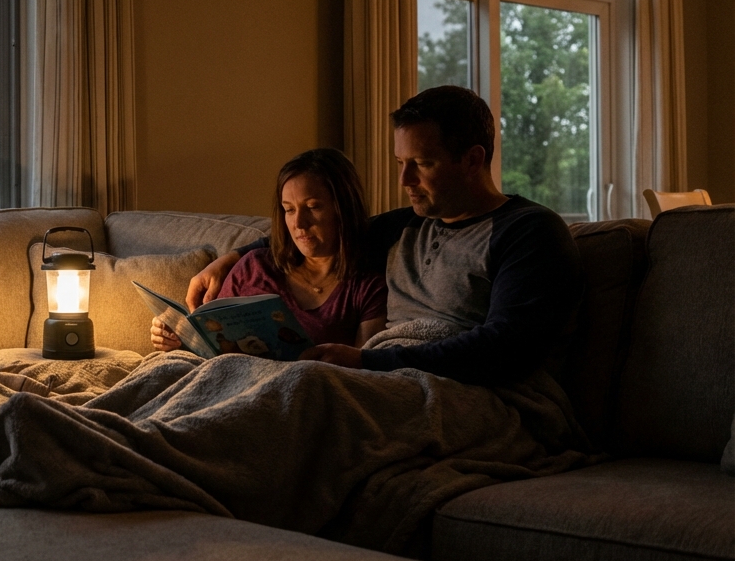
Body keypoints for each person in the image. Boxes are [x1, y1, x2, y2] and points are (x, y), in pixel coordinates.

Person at [187, 86, 581, 386]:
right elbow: (318, 233)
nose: (403, 180)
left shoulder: (529, 231)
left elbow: (505, 349)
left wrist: (367, 362)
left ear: (472, 160)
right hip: (388, 374)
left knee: (299, 389)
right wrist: (230, 258)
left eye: (422, 164)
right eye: (400, 163)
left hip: (461, 388)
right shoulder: (406, 225)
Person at [151, 148, 387, 353]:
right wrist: (178, 340)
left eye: (313, 207)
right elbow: (211, 347)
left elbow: (362, 373)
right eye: (289, 210)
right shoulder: (254, 267)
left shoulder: (367, 288)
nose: (299, 224)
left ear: (343, 208)